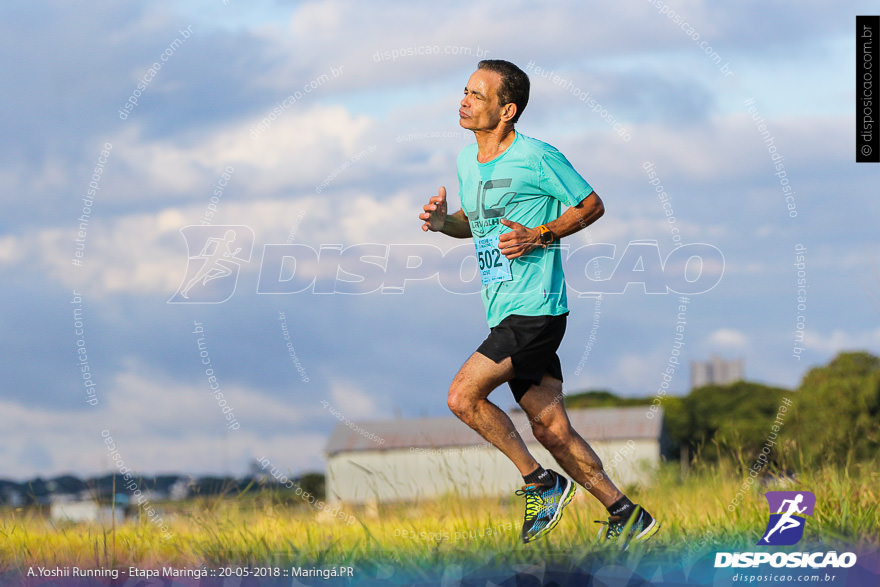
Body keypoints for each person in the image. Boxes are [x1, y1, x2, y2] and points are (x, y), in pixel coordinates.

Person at [418, 59, 659, 546]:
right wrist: (445, 223)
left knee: (462, 397)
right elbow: (478, 222)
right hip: (504, 308)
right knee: (551, 428)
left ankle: (540, 483)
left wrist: (541, 234)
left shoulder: (538, 156)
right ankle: (626, 513)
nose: (464, 101)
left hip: (537, 309)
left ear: (507, 110)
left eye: (477, 96)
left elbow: (591, 204)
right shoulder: (468, 160)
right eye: (464, 91)